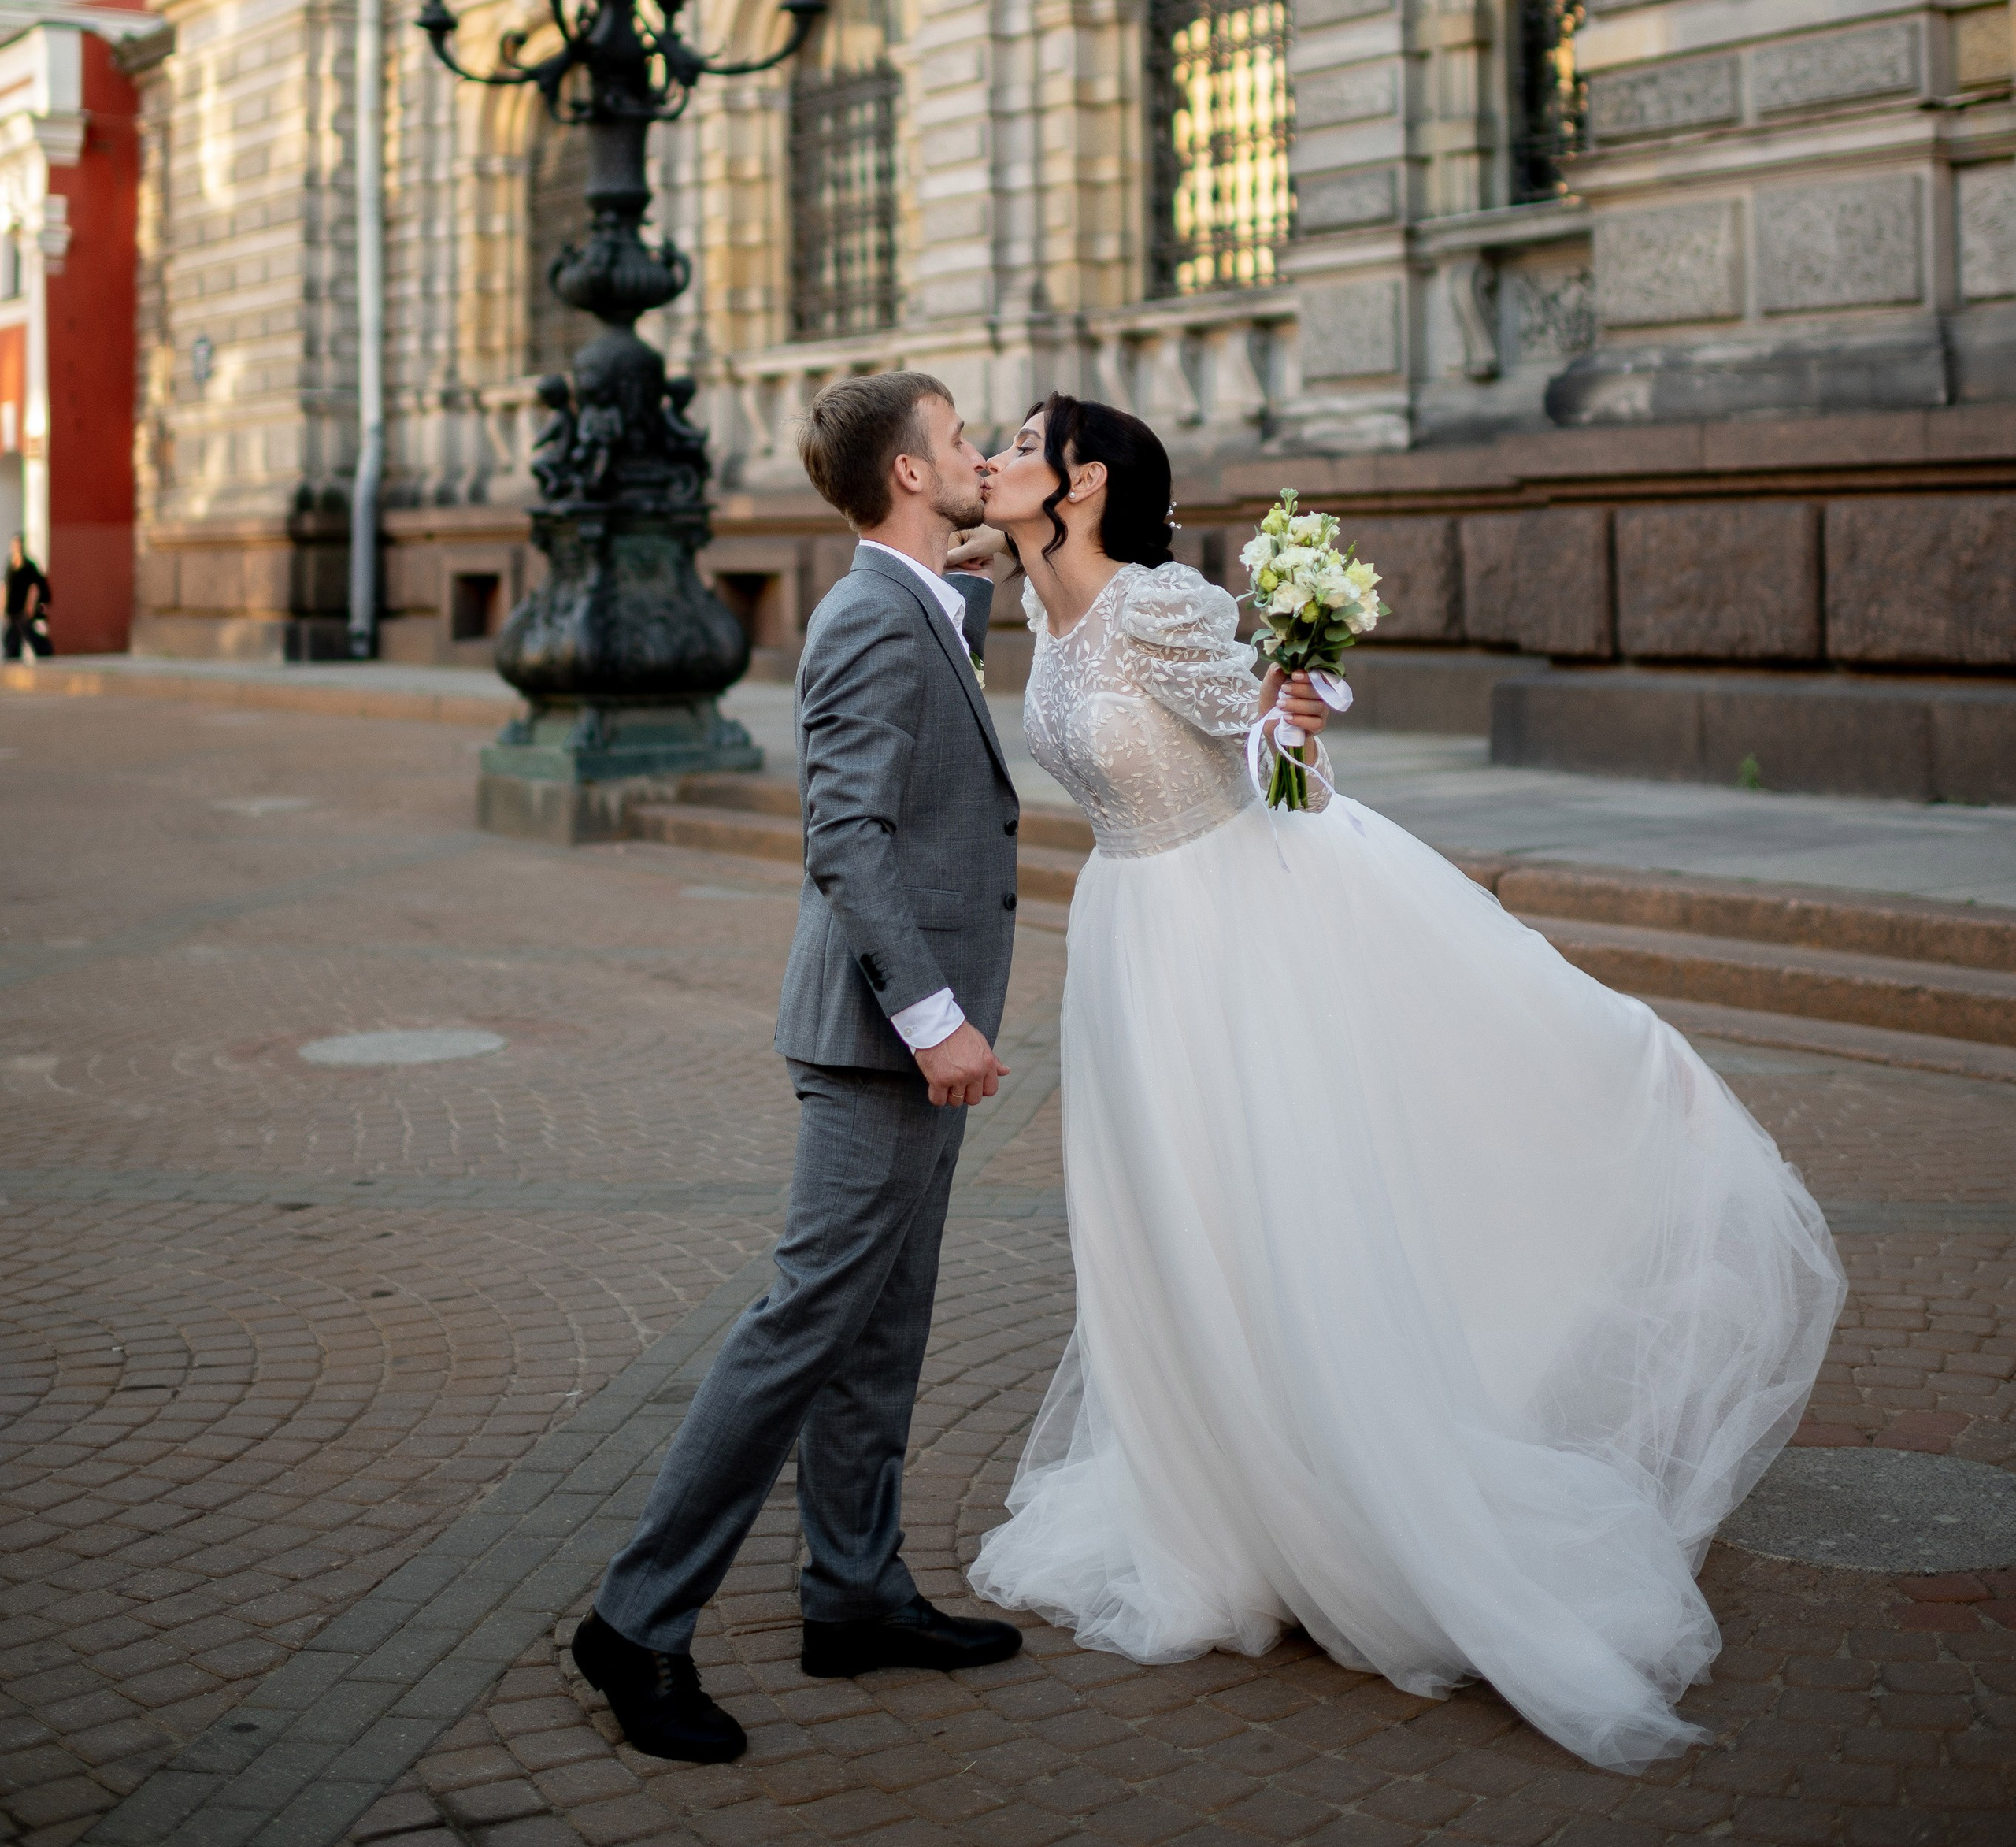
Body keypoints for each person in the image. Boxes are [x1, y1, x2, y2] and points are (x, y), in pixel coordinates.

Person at [966, 396, 1846, 1775]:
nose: (994, 460)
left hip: (1229, 927)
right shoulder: (1043, 608)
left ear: (1081, 481)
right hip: (1127, 936)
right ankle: (1215, 1507)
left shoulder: (1161, 603)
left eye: (1019, 443)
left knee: (1272, 1211)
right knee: (1164, 1228)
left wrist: (1298, 702)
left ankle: (1347, 1494)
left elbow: (1284, 769)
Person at [572, 371, 1026, 1764]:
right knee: (796, 1330)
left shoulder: (911, 601)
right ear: (905, 471)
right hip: (883, 1034)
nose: (976, 453)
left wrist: (992, 558)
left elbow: (943, 661)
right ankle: (637, 1623)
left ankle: (856, 1591)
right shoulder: (864, 617)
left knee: (880, 1328)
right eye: (957, 440)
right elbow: (847, 837)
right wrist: (937, 1014)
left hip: (903, 1035)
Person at [3, 535, 50, 660]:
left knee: (28, 634)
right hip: (12, 608)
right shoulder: (10, 566)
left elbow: (35, 587)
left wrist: (30, 606)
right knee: (11, 636)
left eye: (18, 545)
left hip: (24, 609)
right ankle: (12, 659)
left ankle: (45, 652)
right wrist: (3, 606)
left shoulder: (29, 566)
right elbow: (5, 586)